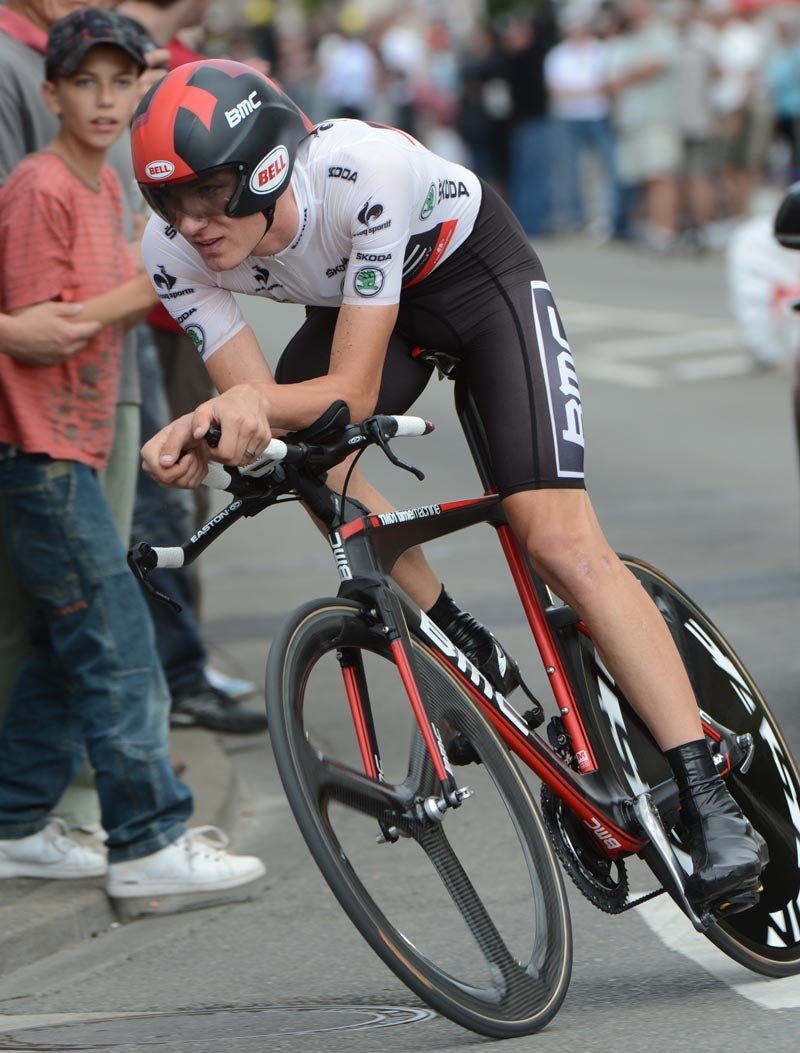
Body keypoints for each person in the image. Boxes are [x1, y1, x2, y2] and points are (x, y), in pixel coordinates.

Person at [134, 58, 767, 909]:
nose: (193, 223)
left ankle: (707, 791)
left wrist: (237, 413)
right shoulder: (171, 250)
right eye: (169, 201)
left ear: (268, 167)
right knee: (305, 461)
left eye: (209, 193)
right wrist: (216, 434)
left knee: (557, 540)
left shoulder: (362, 171)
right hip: (372, 311)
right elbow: (260, 414)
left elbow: (348, 393)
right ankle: (456, 633)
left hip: (480, 282)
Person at [0, 13, 265, 907]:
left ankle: (16, 823)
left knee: (67, 640)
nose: (107, 100)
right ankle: (149, 836)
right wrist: (164, 269)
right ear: (52, 93)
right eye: (87, 83)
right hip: (38, 450)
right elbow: (46, 330)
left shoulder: (106, 185)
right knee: (115, 637)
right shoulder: (40, 186)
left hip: (74, 440)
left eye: (124, 82)